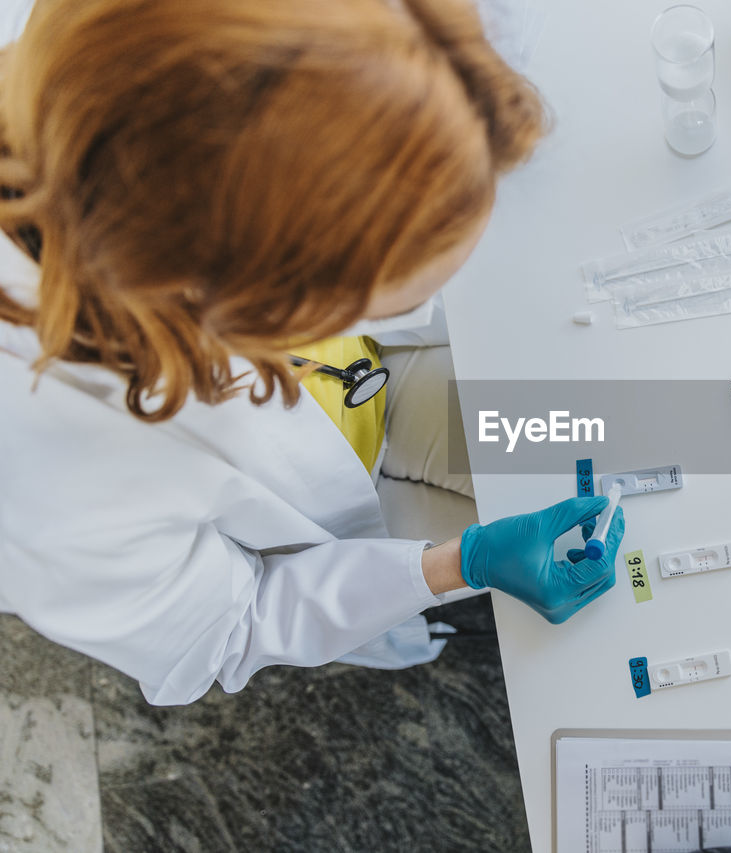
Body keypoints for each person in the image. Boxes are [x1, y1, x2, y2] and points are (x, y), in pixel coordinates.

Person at [0, 0, 623, 705]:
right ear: (247, 304)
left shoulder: (175, 56)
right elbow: (228, 626)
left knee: (623, 430)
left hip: (364, 377)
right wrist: (459, 564)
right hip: (326, 528)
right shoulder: (48, 470)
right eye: (379, 292)